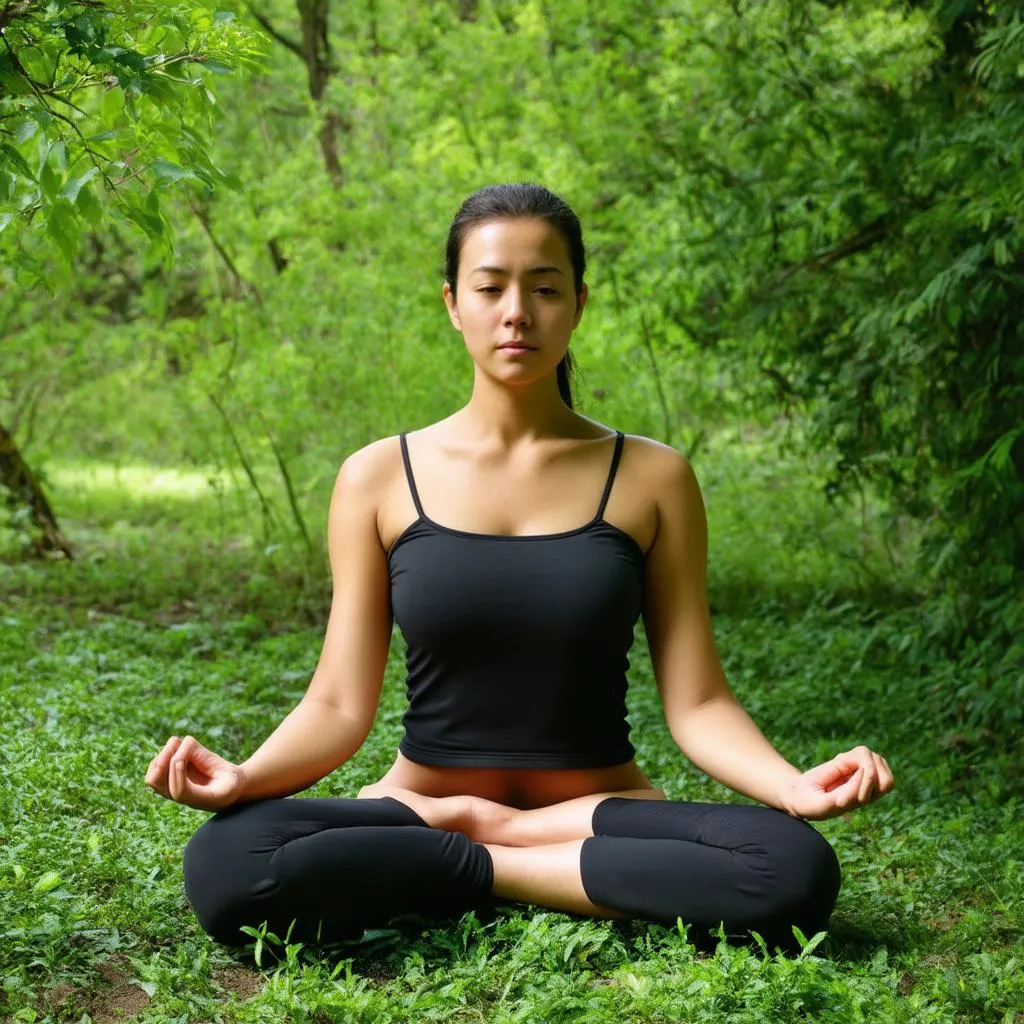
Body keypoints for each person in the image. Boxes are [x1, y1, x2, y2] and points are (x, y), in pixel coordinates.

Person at [145, 183, 894, 952]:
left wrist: (789, 785)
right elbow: (338, 703)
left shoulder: (653, 476)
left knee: (793, 865)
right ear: (452, 303)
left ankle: (479, 866)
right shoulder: (376, 476)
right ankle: (517, 864)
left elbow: (698, 702)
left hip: (600, 808)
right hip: (423, 806)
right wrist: (246, 777)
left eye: (544, 288)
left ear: (578, 303)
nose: (517, 312)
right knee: (225, 861)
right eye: (491, 287)